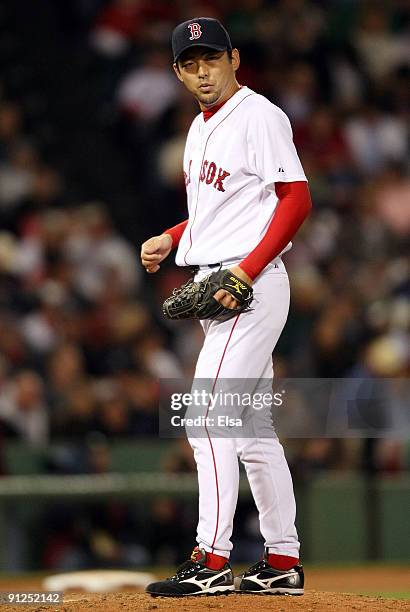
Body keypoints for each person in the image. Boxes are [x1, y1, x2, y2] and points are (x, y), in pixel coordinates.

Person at [141, 17, 312, 597]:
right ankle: (282, 560)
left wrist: (245, 271)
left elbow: (295, 198)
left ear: (234, 59)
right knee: (253, 430)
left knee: (208, 419)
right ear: (177, 73)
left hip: (247, 282)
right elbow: (224, 212)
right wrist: (172, 235)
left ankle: (211, 561)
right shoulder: (198, 127)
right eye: (190, 63)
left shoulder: (259, 115)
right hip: (225, 279)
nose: (202, 70)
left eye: (210, 58)